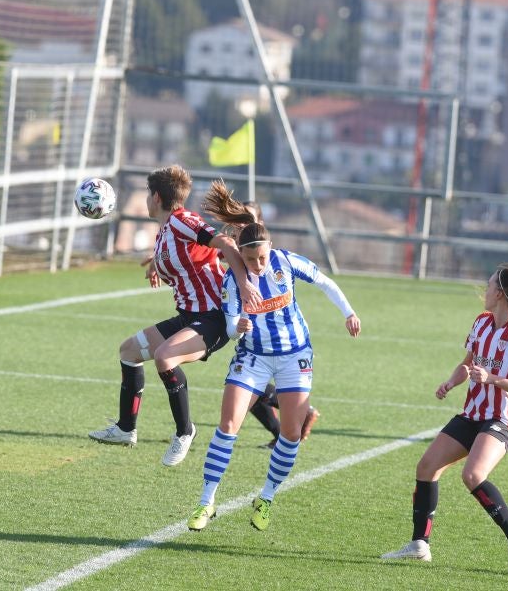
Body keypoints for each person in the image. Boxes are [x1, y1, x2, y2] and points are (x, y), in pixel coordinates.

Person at [186, 183, 360, 532]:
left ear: (270, 248)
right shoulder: (234, 281)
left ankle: (265, 498)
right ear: (241, 255)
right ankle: (206, 502)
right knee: (228, 426)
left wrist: (349, 312)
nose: (257, 264)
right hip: (253, 357)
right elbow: (231, 327)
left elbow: (325, 282)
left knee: (291, 433)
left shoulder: (285, 261)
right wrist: (239, 327)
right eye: (250, 259)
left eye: (262, 257)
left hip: (295, 355)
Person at [88, 165, 261, 467]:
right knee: (129, 351)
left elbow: (225, 243)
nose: (147, 199)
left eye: (148, 193)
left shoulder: (182, 220)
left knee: (165, 357)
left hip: (213, 317)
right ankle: (125, 428)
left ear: (156, 197)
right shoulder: (167, 230)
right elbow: (185, 255)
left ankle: (185, 431)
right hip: (189, 316)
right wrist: (156, 263)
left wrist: (245, 284)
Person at [380, 263, 508, 576]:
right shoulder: (481, 322)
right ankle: (419, 544)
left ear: (501, 294)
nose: (485, 289)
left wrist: (493, 379)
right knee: (427, 467)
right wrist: (452, 381)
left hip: (503, 417)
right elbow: (468, 363)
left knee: (473, 474)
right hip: (474, 412)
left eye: (490, 284)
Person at [238, 202, 321, 448]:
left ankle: (295, 420)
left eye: (248, 220)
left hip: (279, 342)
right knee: (248, 389)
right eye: (239, 221)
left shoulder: (274, 259)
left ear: (260, 224)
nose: (243, 226)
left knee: (249, 388)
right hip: (248, 334)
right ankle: (283, 431)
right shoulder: (238, 251)